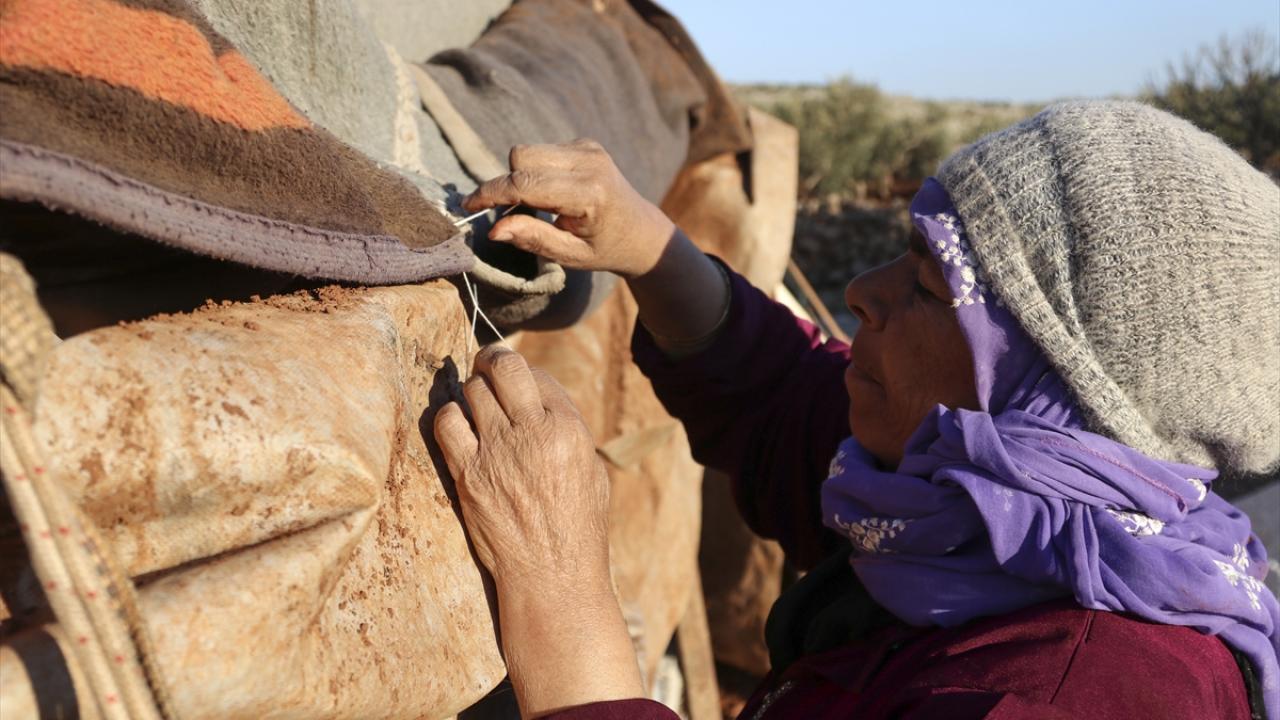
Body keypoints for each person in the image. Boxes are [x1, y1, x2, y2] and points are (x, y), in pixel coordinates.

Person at [433, 101, 1280, 719]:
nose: (858, 294)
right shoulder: (971, 511)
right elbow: (789, 396)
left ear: (1047, 386)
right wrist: (649, 248)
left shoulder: (1090, 693)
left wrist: (561, 595)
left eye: (925, 283)